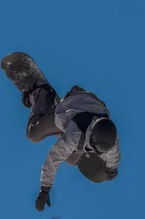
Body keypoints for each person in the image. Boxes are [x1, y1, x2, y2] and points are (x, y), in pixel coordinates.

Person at [21, 83, 121, 211]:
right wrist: (45, 189)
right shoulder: (75, 136)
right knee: (33, 134)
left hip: (90, 101)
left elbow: (114, 154)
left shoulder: (110, 135)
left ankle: (77, 150)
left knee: (70, 159)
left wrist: (112, 168)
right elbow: (54, 157)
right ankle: (41, 94)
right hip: (66, 109)